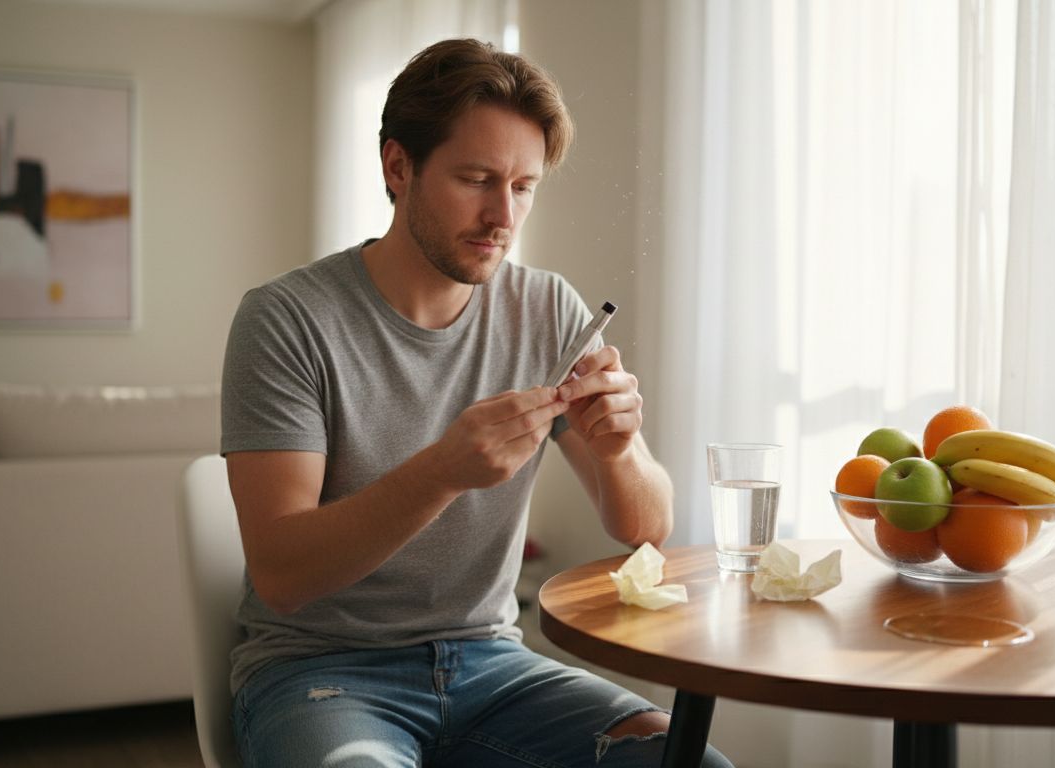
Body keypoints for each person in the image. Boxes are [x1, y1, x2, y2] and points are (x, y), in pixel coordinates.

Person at [220, 38, 732, 768]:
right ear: (399, 167)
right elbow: (282, 574)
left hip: (493, 667)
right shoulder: (287, 319)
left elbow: (647, 527)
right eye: (477, 179)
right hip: (321, 673)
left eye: (523, 187)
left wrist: (619, 454)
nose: (503, 215)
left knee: (691, 763)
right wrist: (443, 470)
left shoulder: (548, 309)